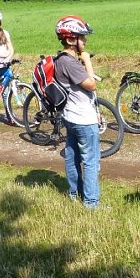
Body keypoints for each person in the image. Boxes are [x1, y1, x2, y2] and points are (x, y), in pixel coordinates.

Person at [53, 15, 101, 209]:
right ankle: (91, 203)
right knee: (90, 161)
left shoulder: (61, 59)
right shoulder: (70, 63)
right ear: (71, 39)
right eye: (82, 37)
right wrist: (87, 60)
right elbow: (91, 85)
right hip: (83, 119)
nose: (85, 40)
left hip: (70, 116)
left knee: (72, 157)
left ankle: (74, 195)